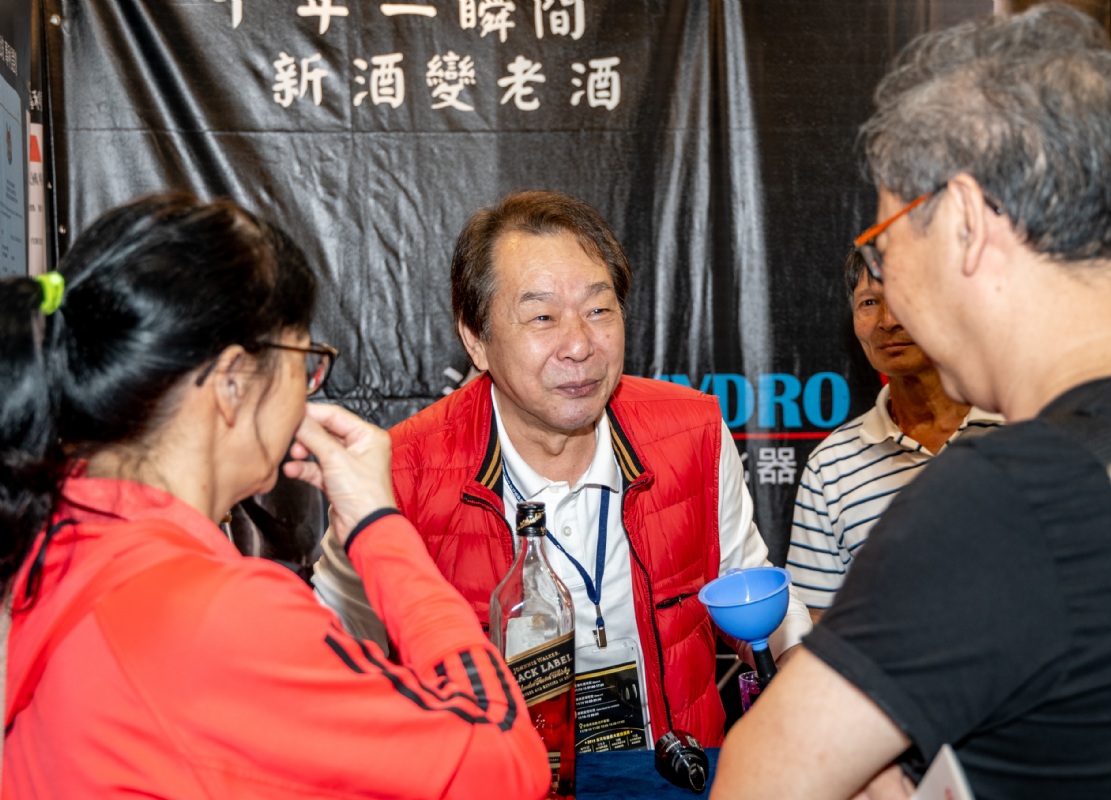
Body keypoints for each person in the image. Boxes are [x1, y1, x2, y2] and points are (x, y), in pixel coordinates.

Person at [714, 5, 1111, 798]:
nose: (889, 292)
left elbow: (760, 782)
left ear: (968, 221)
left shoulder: (1003, 496)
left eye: (885, 244)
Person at [0, 193, 548, 798]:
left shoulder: (49, 539)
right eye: (303, 362)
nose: (308, 393)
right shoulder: (213, 617)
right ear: (232, 383)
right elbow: (503, 763)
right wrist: (379, 527)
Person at [315, 189, 812, 749]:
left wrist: (797, 660)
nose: (579, 345)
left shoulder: (693, 433)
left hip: (676, 778)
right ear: (476, 340)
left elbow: (746, 588)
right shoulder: (398, 474)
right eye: (542, 317)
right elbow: (327, 659)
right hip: (499, 781)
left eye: (599, 310)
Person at [788, 249, 1002, 620]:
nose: (888, 321)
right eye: (869, 303)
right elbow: (817, 624)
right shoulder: (830, 466)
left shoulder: (1030, 428)